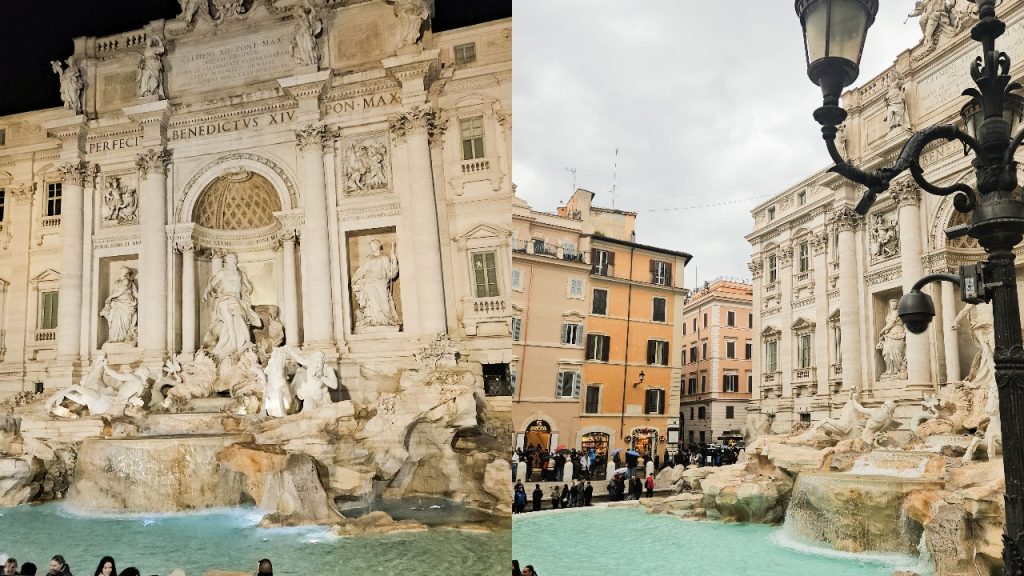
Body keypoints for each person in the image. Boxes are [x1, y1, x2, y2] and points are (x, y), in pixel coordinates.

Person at [202, 252, 262, 359]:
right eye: (231, 259)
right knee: (229, 319)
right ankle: (234, 344)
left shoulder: (241, 274)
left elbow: (249, 287)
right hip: (224, 299)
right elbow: (212, 284)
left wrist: (246, 292)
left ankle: (243, 343)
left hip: (236, 300)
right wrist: (206, 293)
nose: (233, 261)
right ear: (227, 261)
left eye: (234, 259)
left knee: (239, 319)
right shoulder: (222, 273)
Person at [351, 239, 401, 329]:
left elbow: (390, 272)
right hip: (369, 282)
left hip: (381, 281)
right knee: (371, 302)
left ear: (378, 246)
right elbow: (363, 269)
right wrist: (356, 277)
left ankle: (387, 319)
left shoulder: (384, 257)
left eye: (374, 245)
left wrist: (394, 260)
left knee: (384, 301)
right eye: (371, 245)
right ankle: (373, 320)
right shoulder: (369, 257)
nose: (372, 247)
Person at [100, 266, 139, 344]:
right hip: (117, 302)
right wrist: (110, 301)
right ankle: (115, 337)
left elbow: (121, 291)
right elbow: (113, 292)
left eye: (125, 271)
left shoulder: (126, 281)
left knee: (125, 320)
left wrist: (110, 297)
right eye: (122, 271)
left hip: (127, 302)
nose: (123, 272)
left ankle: (124, 337)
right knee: (116, 318)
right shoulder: (116, 282)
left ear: (127, 273)